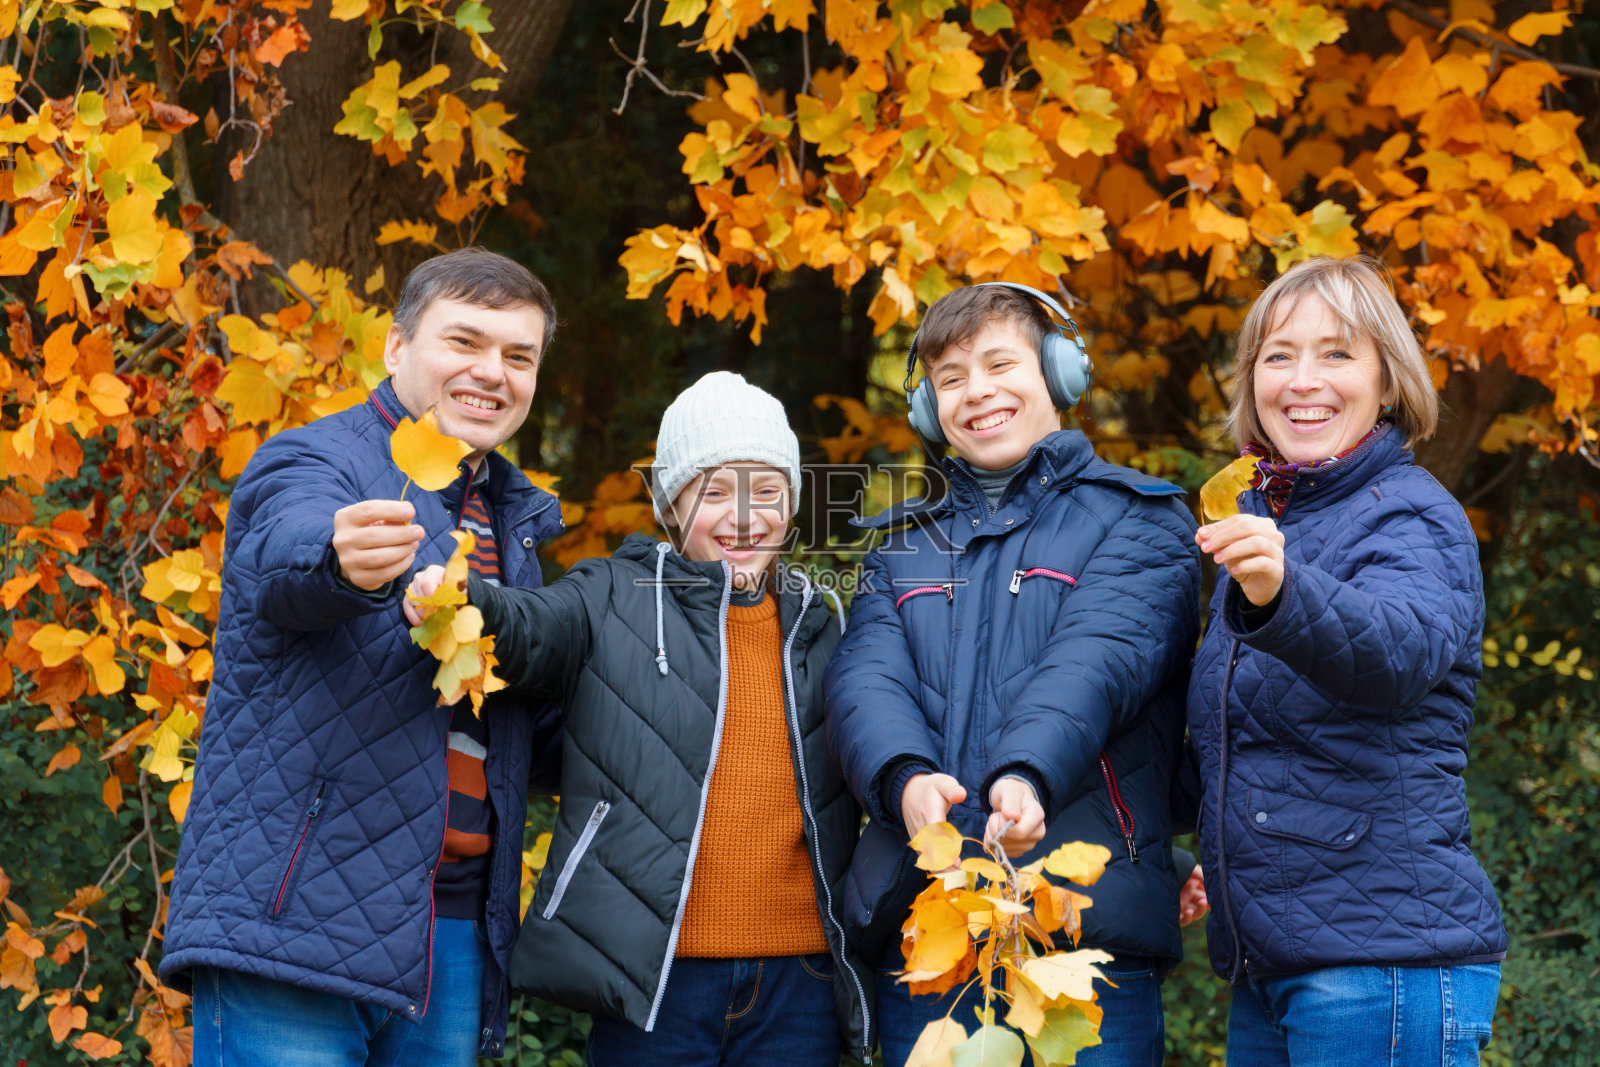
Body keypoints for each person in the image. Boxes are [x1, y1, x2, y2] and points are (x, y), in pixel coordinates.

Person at [160, 248, 565, 1065]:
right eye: (466, 342)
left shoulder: (512, 521)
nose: (493, 372)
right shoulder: (315, 461)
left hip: (449, 931)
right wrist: (341, 558)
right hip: (295, 923)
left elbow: (520, 725)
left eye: (517, 356)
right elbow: (286, 555)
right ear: (395, 348)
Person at [406, 371, 873, 1066]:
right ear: (672, 508)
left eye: (766, 491)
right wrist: (467, 597)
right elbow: (533, 627)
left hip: (799, 978)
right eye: (713, 492)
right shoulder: (614, 592)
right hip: (656, 975)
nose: (743, 516)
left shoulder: (821, 619)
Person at [824, 282, 1202, 1065]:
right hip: (931, 929)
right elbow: (866, 682)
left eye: (1001, 363)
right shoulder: (901, 544)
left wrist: (1026, 775)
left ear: (1059, 374)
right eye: (952, 376)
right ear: (930, 406)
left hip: (1083, 931)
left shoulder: (1142, 518)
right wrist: (903, 779)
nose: (977, 391)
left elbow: (1097, 664)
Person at [1187, 255, 1506, 1065]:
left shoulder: (1412, 516)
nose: (1303, 379)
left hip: (1384, 965)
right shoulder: (1261, 521)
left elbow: (1394, 649)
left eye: (1337, 353)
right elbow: (1244, 738)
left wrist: (1283, 587)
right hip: (1276, 964)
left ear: (1387, 379)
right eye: (1279, 354)